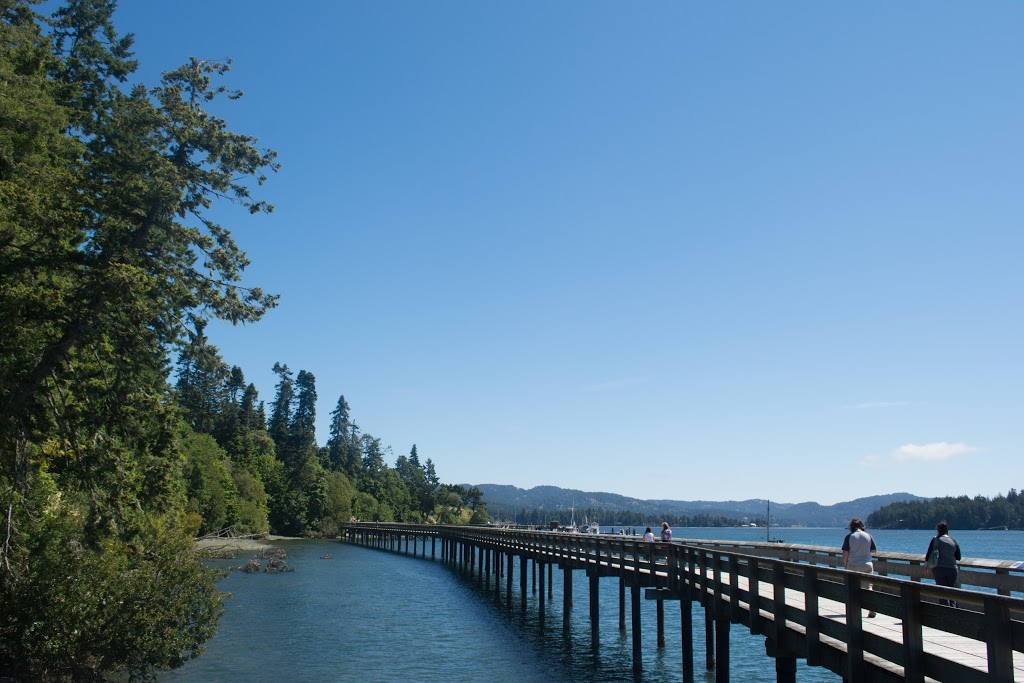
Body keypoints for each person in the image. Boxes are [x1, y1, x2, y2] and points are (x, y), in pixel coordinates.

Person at [842, 517, 877, 617]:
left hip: (853, 564)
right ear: (861, 526)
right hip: (866, 564)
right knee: (868, 587)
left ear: (851, 527)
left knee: (851, 587)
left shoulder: (849, 537)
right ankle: (872, 609)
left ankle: (853, 609)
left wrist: (845, 565)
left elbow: (845, 553)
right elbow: (874, 550)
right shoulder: (868, 536)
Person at [926, 521, 961, 607]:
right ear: (947, 530)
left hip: (939, 569)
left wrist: (925, 567)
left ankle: (945, 615)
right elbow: (958, 557)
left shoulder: (935, 540)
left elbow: (928, 555)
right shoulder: (953, 541)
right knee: (951, 592)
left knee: (942, 593)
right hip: (952, 569)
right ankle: (953, 613)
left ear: (938, 530)